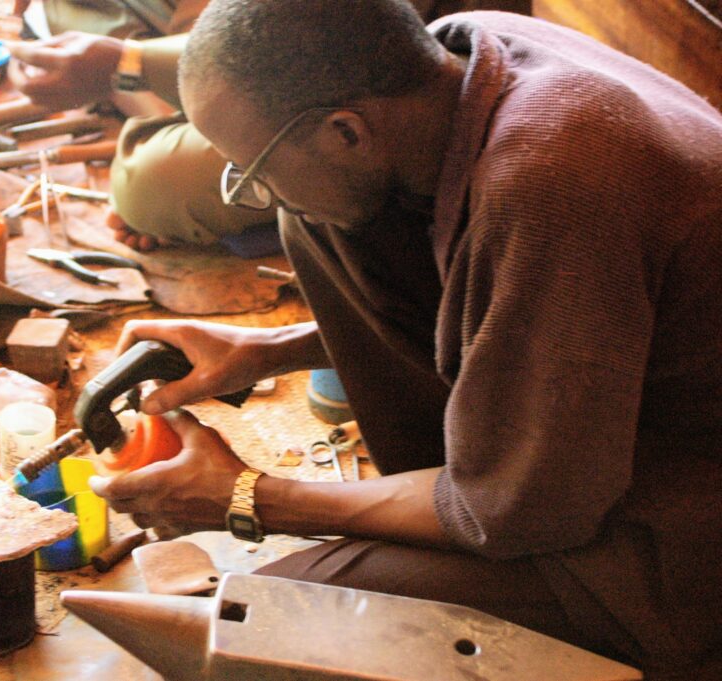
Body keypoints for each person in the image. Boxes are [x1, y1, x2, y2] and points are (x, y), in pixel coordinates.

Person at [84, 1, 722, 679]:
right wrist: (269, 350)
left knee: (286, 624)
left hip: (687, 516)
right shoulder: (456, 56)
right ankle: (450, 488)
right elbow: (514, 305)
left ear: (345, 132)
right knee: (320, 217)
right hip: (605, 401)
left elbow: (523, 512)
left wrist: (245, 495)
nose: (255, 195)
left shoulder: (556, 187)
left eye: (255, 169)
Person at [7, 0, 531, 250]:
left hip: (356, 51)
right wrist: (272, 351)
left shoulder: (533, 200)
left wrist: (129, 65)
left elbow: (510, 472)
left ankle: (182, 109)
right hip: (298, 52)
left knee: (150, 185)